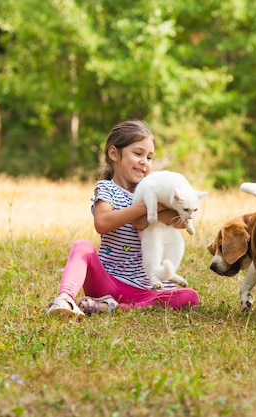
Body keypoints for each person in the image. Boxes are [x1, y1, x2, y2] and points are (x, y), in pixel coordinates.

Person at [46, 120, 200, 319]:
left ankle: (113, 307)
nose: (145, 161)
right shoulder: (107, 189)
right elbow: (102, 223)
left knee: (190, 296)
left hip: (146, 289)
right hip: (109, 281)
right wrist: (145, 206)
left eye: (149, 157)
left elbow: (178, 221)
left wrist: (165, 202)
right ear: (114, 154)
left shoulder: (157, 194)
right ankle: (65, 299)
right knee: (83, 246)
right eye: (138, 154)